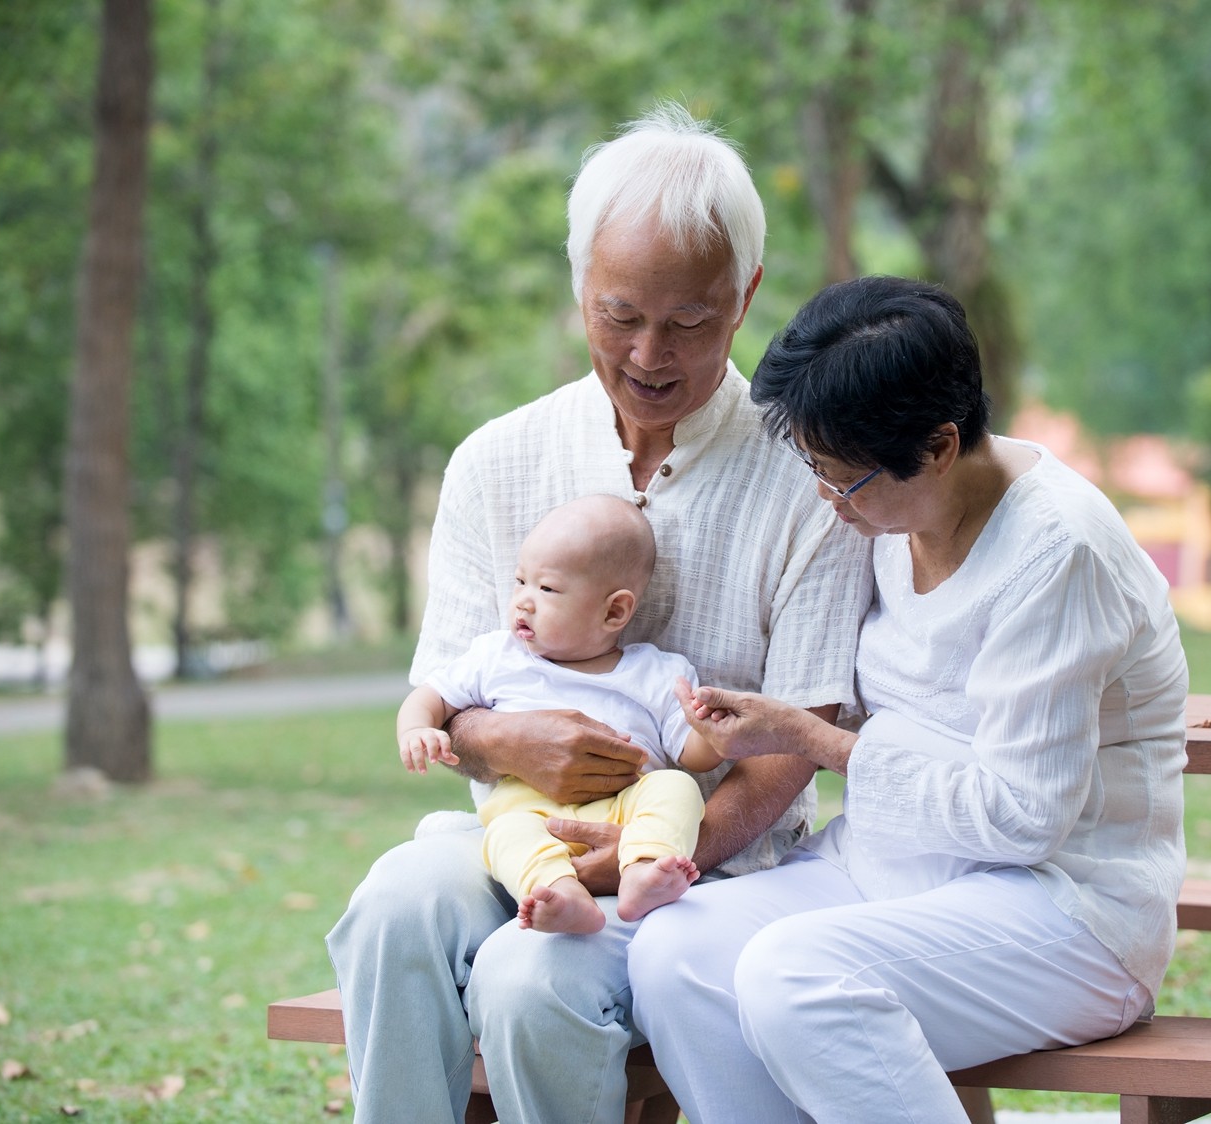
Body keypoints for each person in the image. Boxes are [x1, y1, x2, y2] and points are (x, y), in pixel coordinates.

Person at [326, 104, 872, 1124]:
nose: (650, 354)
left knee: (530, 980)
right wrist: (504, 738)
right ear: (580, 286)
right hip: (511, 832)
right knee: (390, 907)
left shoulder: (809, 480)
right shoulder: (496, 459)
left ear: (746, 295)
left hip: (703, 867)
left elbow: (790, 750)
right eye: (620, 315)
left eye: (690, 321)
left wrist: (647, 854)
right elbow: (445, 692)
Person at [629, 275, 1190, 1124]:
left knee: (795, 976)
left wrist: (815, 741)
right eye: (815, 471)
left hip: (1064, 908)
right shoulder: (891, 518)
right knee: (675, 951)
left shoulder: (1057, 554)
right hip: (892, 872)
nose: (828, 502)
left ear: (938, 446)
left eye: (844, 481)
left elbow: (1023, 819)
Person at [397, 494, 723, 935]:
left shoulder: (656, 673)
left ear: (614, 611)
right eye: (520, 581)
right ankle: (559, 893)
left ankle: (644, 868)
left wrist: (712, 730)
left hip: (624, 812)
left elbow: (694, 757)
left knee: (677, 788)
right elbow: (430, 696)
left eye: (546, 589)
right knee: (506, 833)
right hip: (531, 812)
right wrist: (417, 728)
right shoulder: (497, 657)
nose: (523, 601)